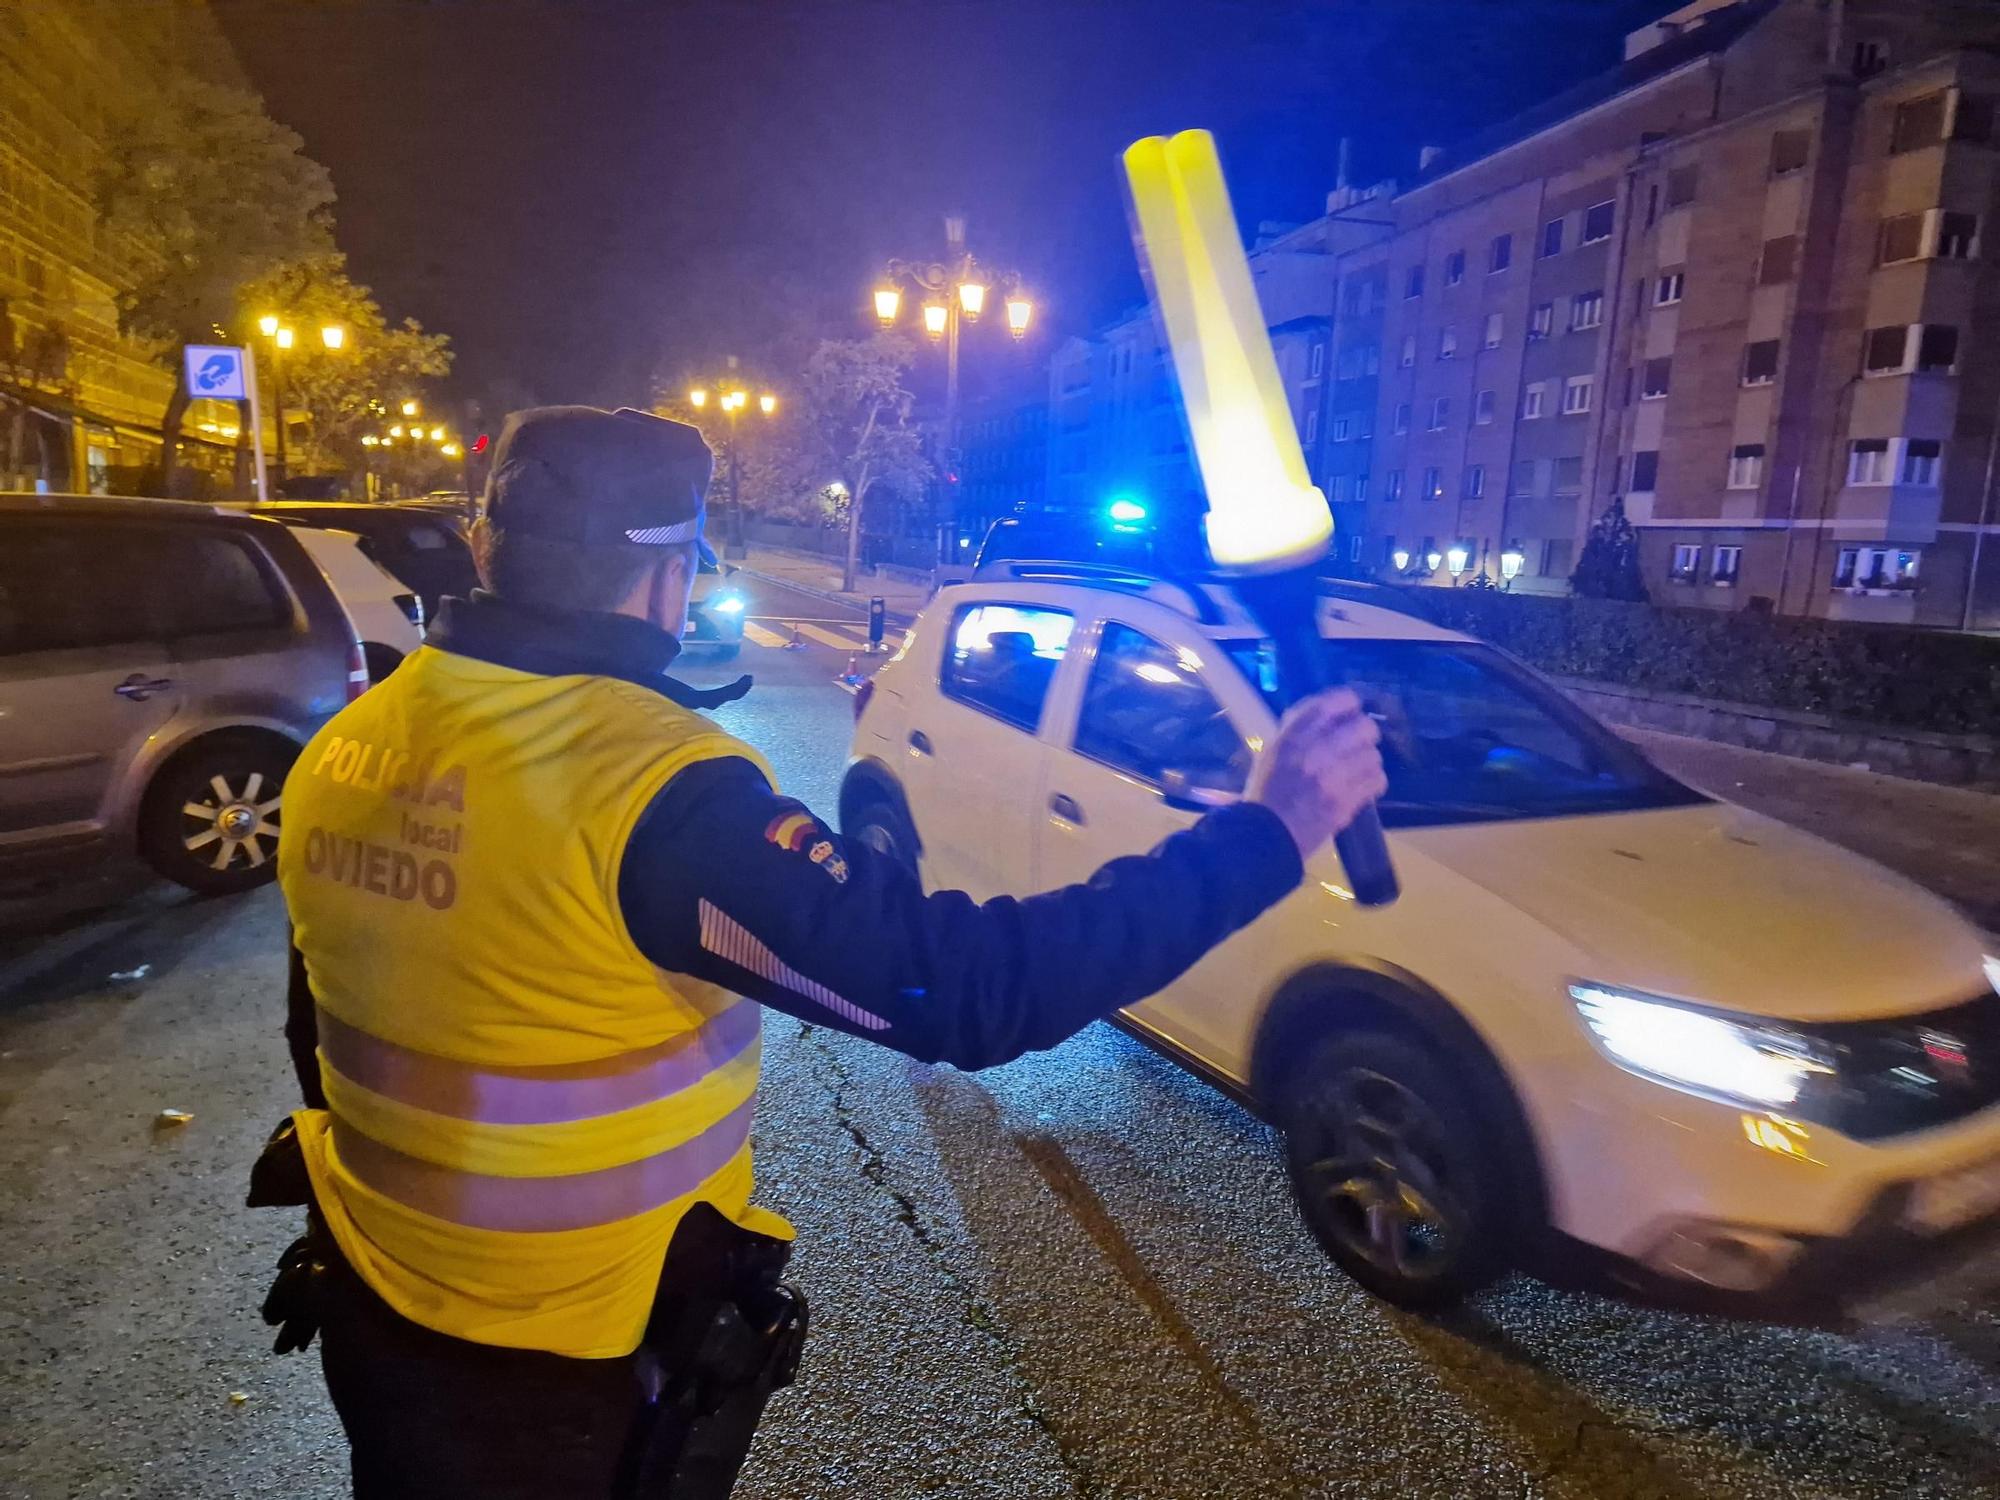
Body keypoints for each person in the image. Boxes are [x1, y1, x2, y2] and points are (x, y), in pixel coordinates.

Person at [268, 405, 1386, 1499]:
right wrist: (1266, 833)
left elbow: (318, 1024)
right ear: (670, 578)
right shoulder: (653, 795)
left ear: (482, 551)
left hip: (373, 1312)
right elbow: (963, 992)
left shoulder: (349, 746)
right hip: (559, 1371)